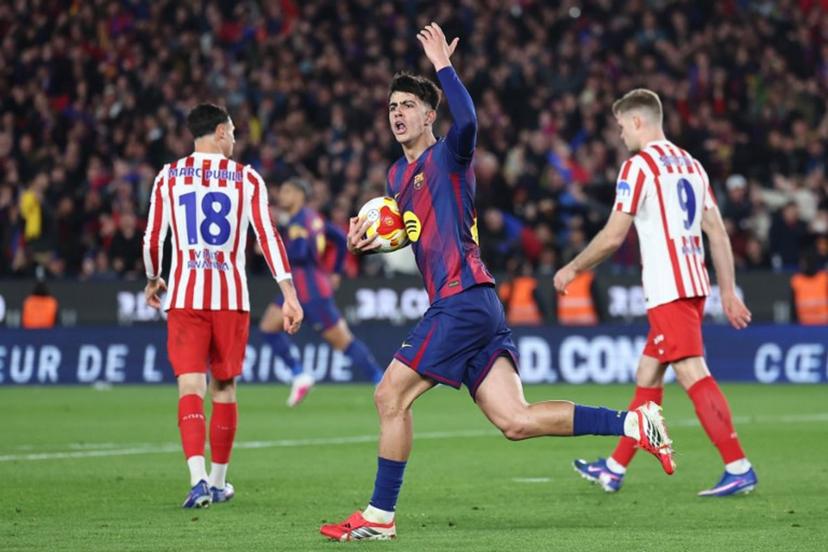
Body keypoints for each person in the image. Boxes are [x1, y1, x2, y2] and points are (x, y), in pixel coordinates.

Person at [320, 25, 674, 542]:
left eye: (407, 105)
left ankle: (378, 517)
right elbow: (416, 233)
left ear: (428, 114)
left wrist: (443, 66)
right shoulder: (398, 178)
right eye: (391, 106)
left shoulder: (451, 154)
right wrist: (371, 243)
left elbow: (469, 118)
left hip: (460, 301)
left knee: (389, 395)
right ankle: (636, 423)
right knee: (516, 421)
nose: (396, 114)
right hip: (475, 305)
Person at [554, 89, 757, 497]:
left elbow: (613, 236)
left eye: (620, 127)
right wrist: (729, 292)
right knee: (647, 374)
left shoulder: (638, 167)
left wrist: (573, 267)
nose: (619, 135)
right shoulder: (692, 165)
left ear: (637, 122)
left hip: (668, 288)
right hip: (693, 285)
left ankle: (738, 466)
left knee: (692, 374)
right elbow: (717, 231)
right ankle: (614, 469)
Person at [142, 103, 303, 508]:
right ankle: (217, 481)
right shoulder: (246, 179)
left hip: (185, 297)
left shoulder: (169, 177)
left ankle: (197, 480)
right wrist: (289, 294)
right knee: (225, 388)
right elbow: (268, 238)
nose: (234, 138)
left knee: (189, 386)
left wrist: (153, 277)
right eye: (232, 131)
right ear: (219, 132)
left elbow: (151, 239)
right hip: (230, 298)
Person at [259, 177, 384, 406]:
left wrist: (272, 247)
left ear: (299, 195)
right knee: (268, 326)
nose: (282, 195)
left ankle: (381, 380)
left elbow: (300, 253)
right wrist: (335, 270)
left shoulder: (299, 222)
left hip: (310, 291)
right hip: (301, 288)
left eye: (287, 190)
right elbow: (339, 238)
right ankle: (300, 375)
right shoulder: (313, 219)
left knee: (344, 342)